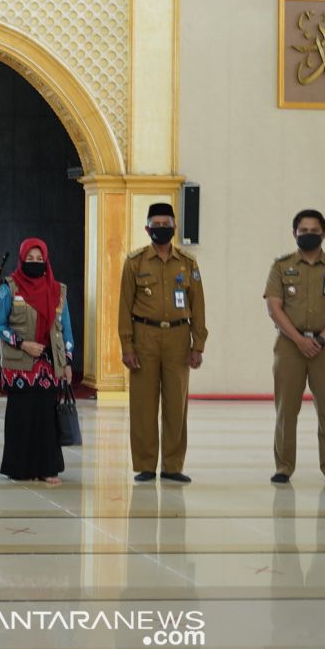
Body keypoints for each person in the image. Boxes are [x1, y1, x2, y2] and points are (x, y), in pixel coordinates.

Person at [118, 202, 207, 483]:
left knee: (175, 405)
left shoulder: (188, 263)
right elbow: (124, 307)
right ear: (147, 229)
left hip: (179, 339)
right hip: (144, 337)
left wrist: (198, 344)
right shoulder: (135, 262)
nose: (161, 230)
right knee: (143, 405)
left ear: (174, 227)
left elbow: (199, 305)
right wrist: (127, 346)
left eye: (166, 225)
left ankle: (172, 466)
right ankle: (145, 465)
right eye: (155, 226)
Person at [264, 209, 325, 486]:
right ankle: (284, 467)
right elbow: (274, 308)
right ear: (294, 234)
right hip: (289, 346)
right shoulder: (281, 267)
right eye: (304, 231)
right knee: (286, 410)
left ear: (324, 233)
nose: (309, 235)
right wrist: (299, 340)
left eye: (314, 231)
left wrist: (321, 339)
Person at [0, 238, 73, 485]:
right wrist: (22, 343)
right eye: (30, 259)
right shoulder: (9, 287)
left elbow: (66, 329)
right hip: (20, 365)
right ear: (22, 259)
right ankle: (20, 468)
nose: (35, 263)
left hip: (49, 365)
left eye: (40, 260)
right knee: (21, 416)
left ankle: (48, 468)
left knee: (46, 418)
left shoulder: (58, 291)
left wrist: (68, 361)